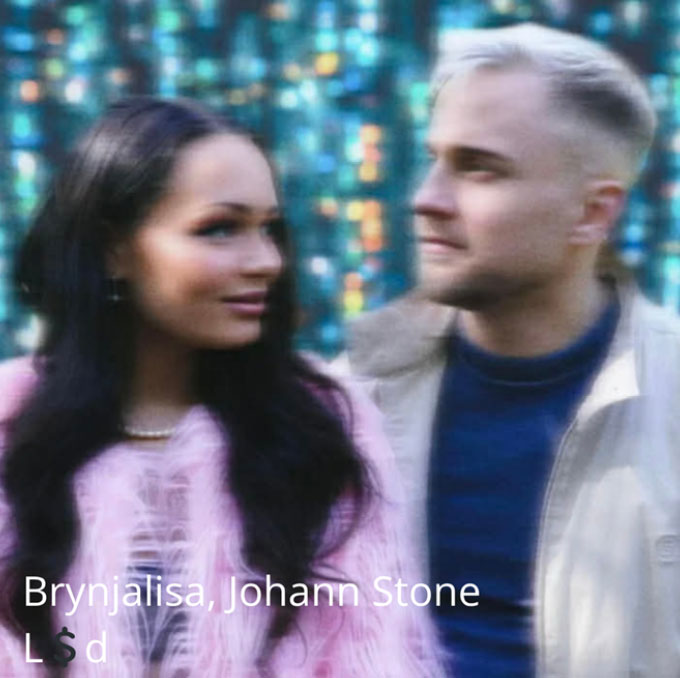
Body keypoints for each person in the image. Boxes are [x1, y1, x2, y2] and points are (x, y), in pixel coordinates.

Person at [0, 97, 444, 678]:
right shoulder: (12, 427)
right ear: (113, 250)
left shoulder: (321, 428)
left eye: (269, 229)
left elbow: (370, 652)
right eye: (220, 229)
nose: (266, 261)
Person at [337, 23, 680, 678]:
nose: (426, 200)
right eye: (434, 160)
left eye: (479, 168)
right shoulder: (351, 395)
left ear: (593, 214)